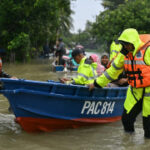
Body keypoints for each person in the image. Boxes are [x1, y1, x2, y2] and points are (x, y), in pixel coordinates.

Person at [88, 28, 150, 138]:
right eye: (123, 44)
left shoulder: (148, 50)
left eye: (127, 44)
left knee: (148, 129)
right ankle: (128, 143)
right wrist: (96, 83)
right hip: (135, 91)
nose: (125, 47)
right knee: (126, 119)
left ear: (133, 42)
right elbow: (112, 72)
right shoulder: (124, 54)